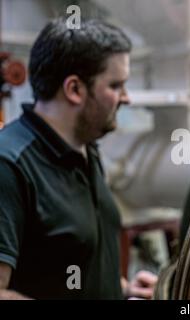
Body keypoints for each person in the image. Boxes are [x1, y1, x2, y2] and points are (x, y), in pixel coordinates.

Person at [0, 18, 157, 299]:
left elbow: (73, 265)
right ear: (74, 89)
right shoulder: (9, 165)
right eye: (116, 85)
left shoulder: (86, 149)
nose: (126, 98)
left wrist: (122, 288)